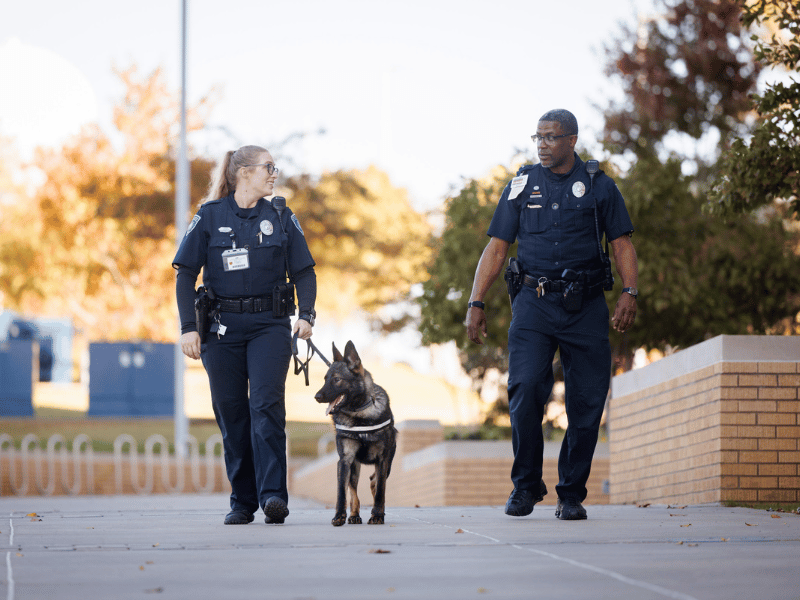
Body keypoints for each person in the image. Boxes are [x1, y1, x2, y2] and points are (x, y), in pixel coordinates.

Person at [466, 109, 638, 521]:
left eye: (551, 137)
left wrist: (630, 292)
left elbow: (622, 245)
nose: (542, 144)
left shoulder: (600, 186)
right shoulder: (521, 185)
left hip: (586, 308)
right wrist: (476, 301)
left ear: (572, 140)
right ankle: (525, 487)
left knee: (587, 403)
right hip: (534, 303)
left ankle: (571, 494)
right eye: (537, 137)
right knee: (524, 389)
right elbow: (496, 249)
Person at [173, 145, 317, 525]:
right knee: (232, 413)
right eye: (268, 167)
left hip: (269, 326)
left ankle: (273, 497)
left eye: (275, 167)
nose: (274, 173)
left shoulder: (282, 216)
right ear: (243, 173)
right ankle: (242, 501)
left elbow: (304, 271)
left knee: (266, 407)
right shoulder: (209, 216)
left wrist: (307, 315)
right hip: (221, 330)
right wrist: (189, 327)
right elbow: (185, 272)